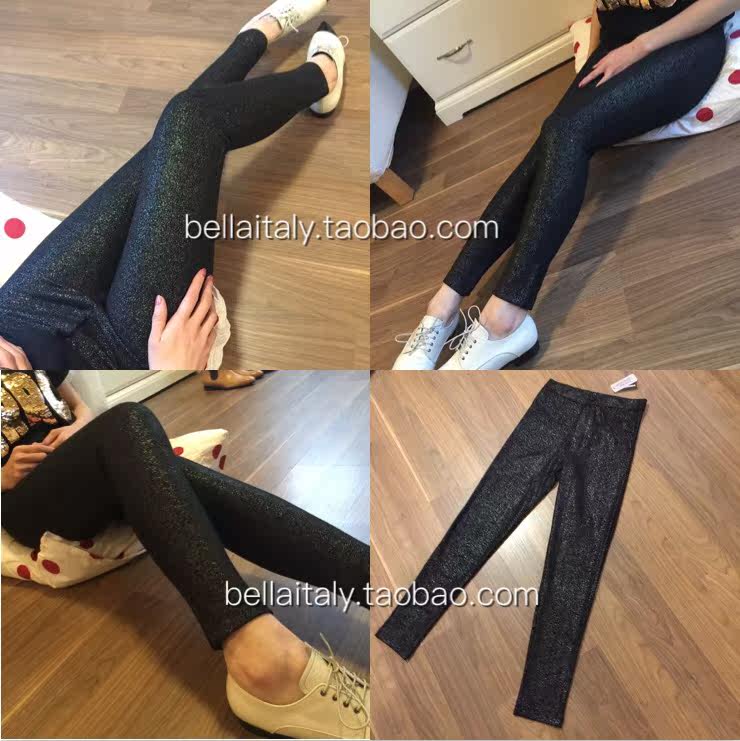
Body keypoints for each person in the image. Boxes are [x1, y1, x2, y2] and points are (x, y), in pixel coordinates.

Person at [1, 370, 370, 739]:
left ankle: (374, 588)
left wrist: (79, 423)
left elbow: (74, 401)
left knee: (140, 449)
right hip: (21, 495)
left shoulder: (22, 337)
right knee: (128, 423)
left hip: (75, 460)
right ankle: (265, 655)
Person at [0, 0, 346, 371]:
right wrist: (170, 369)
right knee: (190, 119)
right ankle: (308, 68)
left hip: (19, 319)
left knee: (167, 144)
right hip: (124, 357)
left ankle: (257, 39)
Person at [393, 0, 737, 371]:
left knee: (565, 131)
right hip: (616, 39)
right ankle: (444, 306)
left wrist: (639, 47)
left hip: (684, 39)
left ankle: (505, 318)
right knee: (550, 140)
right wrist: (596, 55)